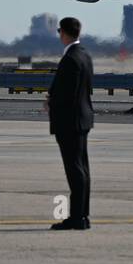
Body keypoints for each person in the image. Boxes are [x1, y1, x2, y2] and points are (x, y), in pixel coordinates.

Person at [44, 17, 94, 230]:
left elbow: (68, 94)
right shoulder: (85, 55)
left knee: (75, 169)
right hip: (82, 119)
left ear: (63, 32)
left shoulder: (71, 59)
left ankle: (76, 218)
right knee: (82, 168)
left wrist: (51, 103)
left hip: (70, 122)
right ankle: (82, 215)